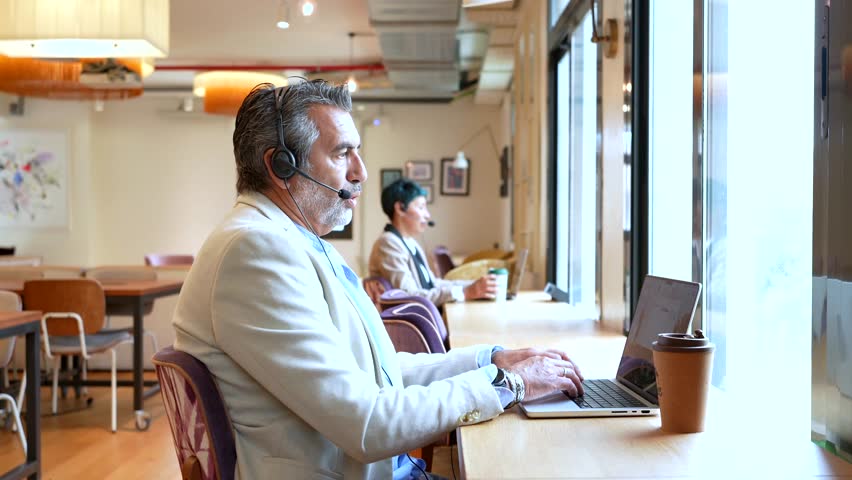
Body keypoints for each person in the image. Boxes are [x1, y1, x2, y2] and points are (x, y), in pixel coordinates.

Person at [171, 79, 584, 480]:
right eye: (342, 153)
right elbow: (368, 423)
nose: (362, 172)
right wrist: (509, 385)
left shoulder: (291, 241)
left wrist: (491, 361)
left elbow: (379, 373)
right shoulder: (255, 252)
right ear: (282, 166)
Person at [368, 178, 496, 307]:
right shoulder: (388, 243)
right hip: (414, 317)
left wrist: (473, 285)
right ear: (400, 208)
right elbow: (409, 296)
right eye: (421, 207)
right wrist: (464, 292)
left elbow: (433, 284)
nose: (427, 215)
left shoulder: (410, 242)